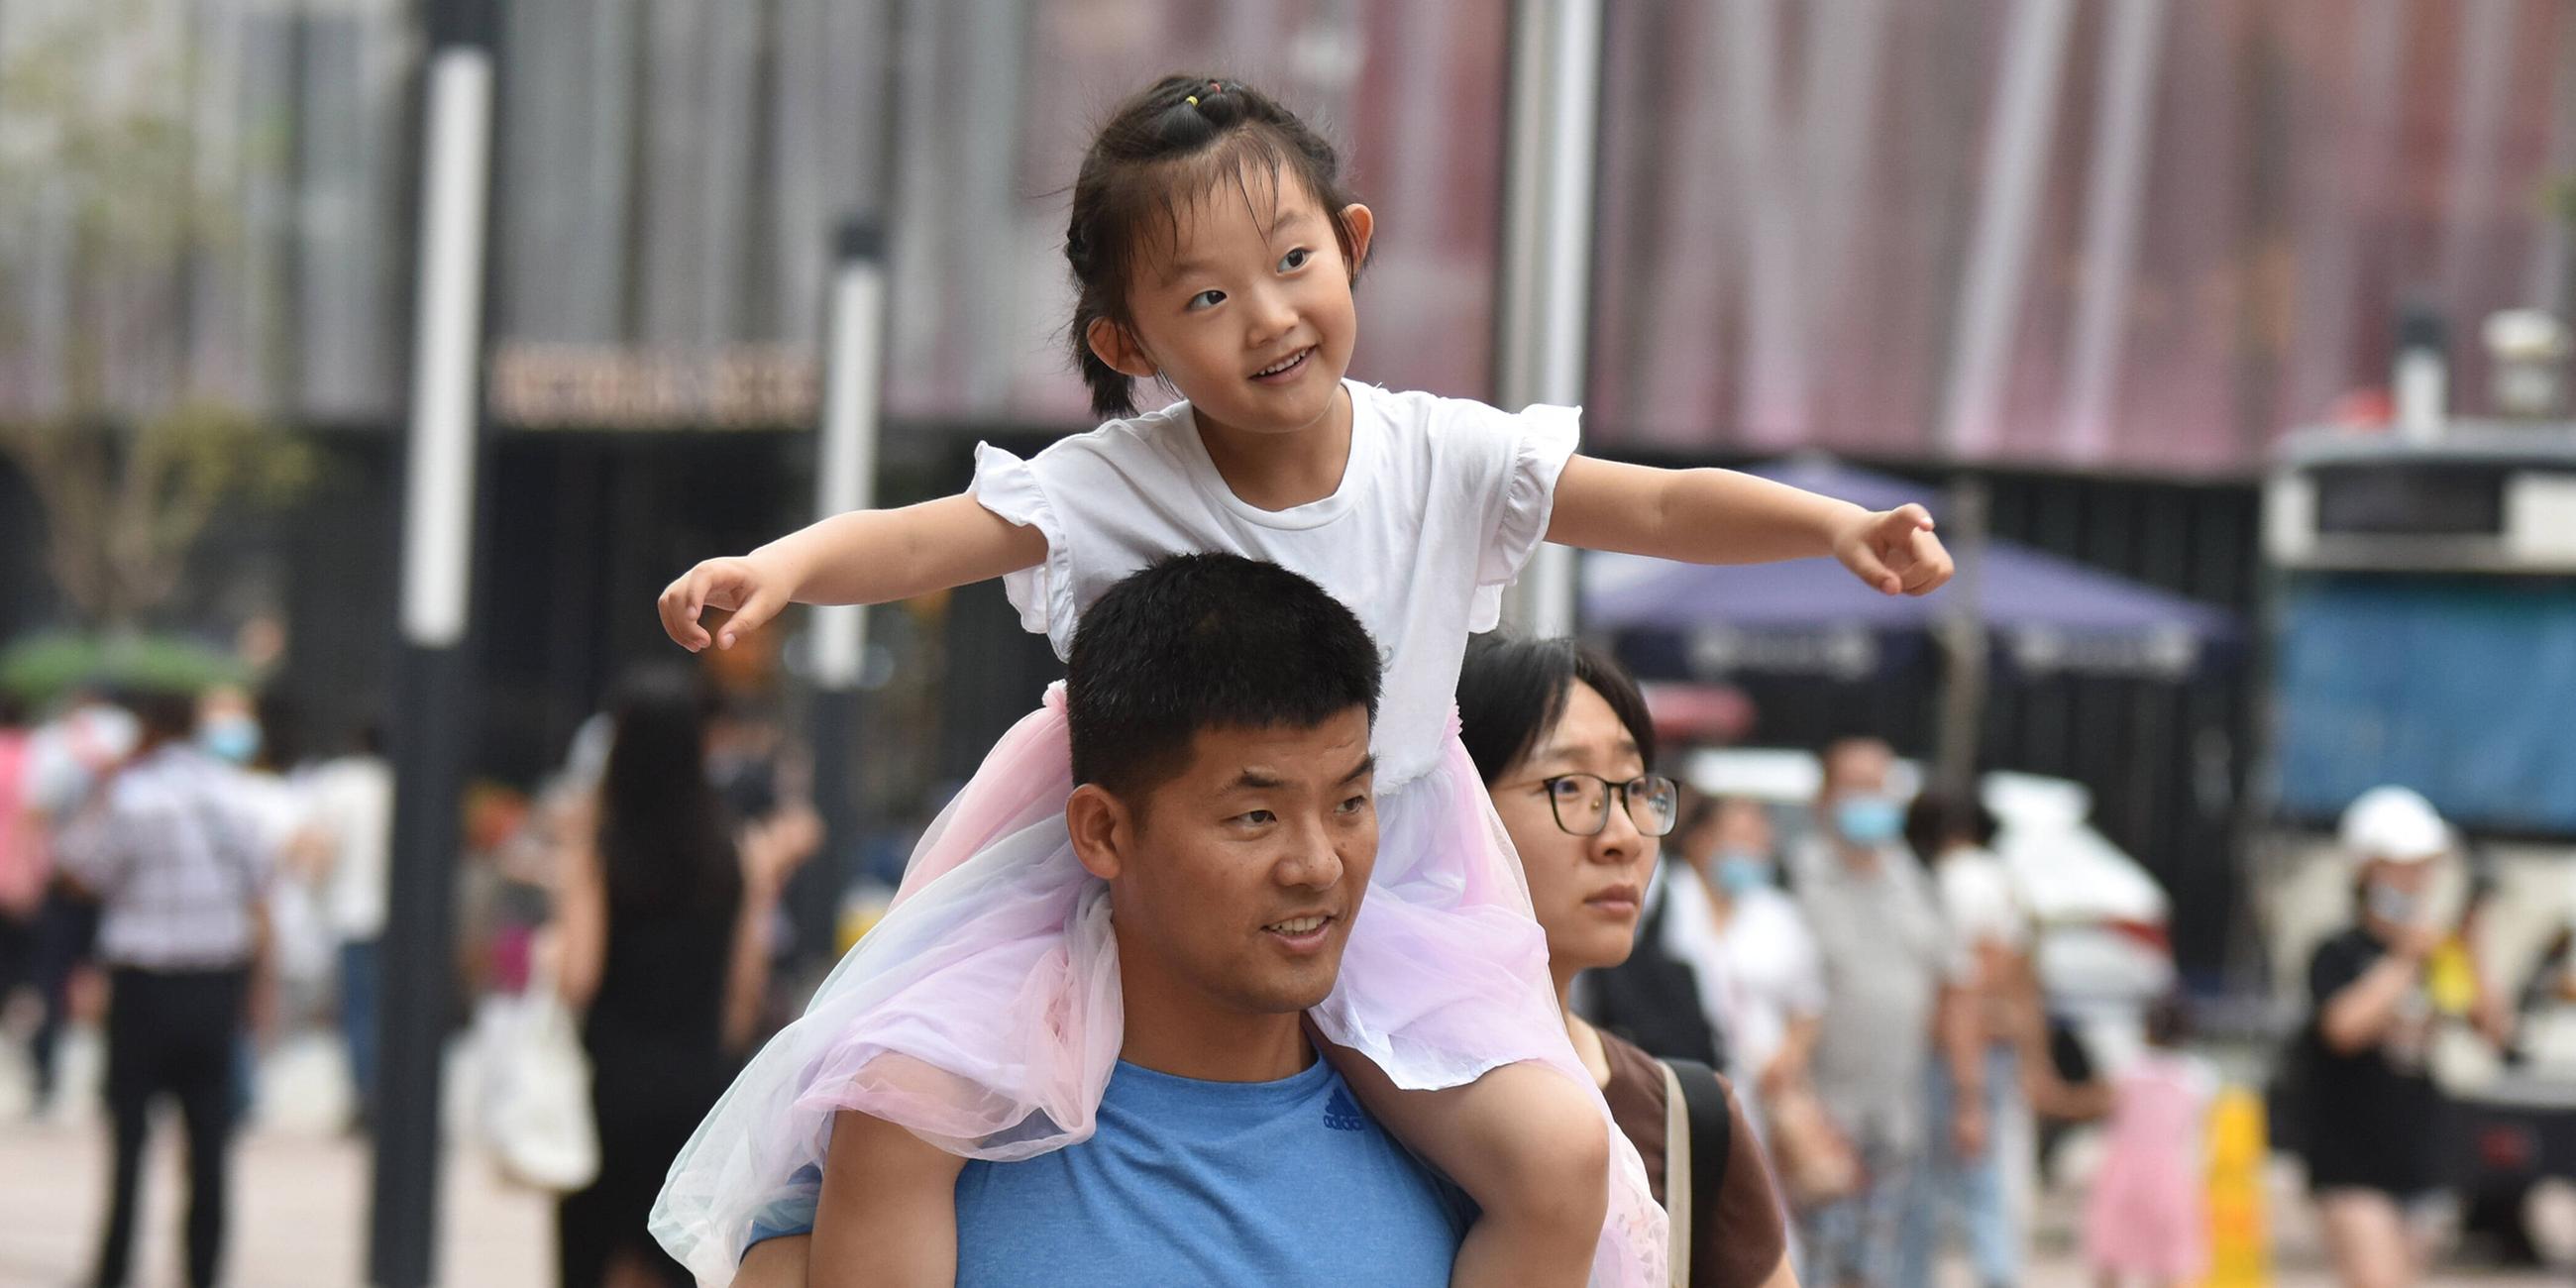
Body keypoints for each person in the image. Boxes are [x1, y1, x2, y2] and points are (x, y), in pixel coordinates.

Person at [652, 71, 1955, 1286]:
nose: (1269, 317)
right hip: (1140, 868)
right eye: (1205, 298)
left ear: (1354, 241)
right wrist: (780, 567)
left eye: (1292, 262)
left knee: (1559, 1164)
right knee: (900, 1095)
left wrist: (1831, 529)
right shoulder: (1122, 481)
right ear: (1130, 336)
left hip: (1401, 881)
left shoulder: (1439, 454)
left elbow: (1662, 507)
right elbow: (933, 534)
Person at [728, 555, 1472, 1285]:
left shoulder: (1474, 1151)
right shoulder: (926, 1127)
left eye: (1349, 803)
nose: (1318, 865)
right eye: (1255, 815)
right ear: (1104, 832)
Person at [1457, 634, 1797, 1288]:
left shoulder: (1685, 1114)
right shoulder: (1353, 1092)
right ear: (1457, 809)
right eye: (1570, 786)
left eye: (1635, 788)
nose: (1622, 838)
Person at [551, 668, 811, 1288]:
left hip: (611, 1085)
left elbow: (578, 977)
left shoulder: (600, 850)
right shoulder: (733, 850)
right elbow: (743, 991)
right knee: (674, 1257)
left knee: (598, 1246)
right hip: (699, 1083)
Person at [51, 686, 271, 1288]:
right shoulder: (234, 793)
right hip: (213, 981)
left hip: (144, 984)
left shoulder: (132, 795)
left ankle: (114, 1267)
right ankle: (204, 1269)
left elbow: (79, 865)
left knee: (128, 1140)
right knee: (209, 1142)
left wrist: (102, 785)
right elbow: (260, 882)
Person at [1787, 739, 1984, 1288]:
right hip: (1818, 1120)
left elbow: (1956, 988)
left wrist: (1968, 1099)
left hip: (1896, 1118)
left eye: (1881, 786)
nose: (1871, 800)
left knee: (1877, 1268)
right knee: (1815, 1265)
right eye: (1857, 786)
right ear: (1825, 799)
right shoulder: (1797, 877)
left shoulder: (1915, 882)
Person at [2302, 786, 2474, 1288]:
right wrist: (2403, 960)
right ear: (2366, 869)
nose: (2417, 879)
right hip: (2351, 1161)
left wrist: (2470, 936)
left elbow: (2487, 1024)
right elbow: (2342, 1029)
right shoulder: (2337, 953)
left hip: (2419, 1154)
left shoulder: (2435, 949)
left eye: (2424, 866)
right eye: (2403, 865)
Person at [1895, 792, 2031, 1288]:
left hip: (1956, 1052)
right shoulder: (1996, 878)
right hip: (1985, 1047)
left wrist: (1966, 1089)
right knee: (1984, 1186)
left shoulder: (1957, 881)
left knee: (1943, 1190)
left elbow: (1963, 989)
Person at [1659, 796, 1826, 1131]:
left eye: (1759, 840)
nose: (1751, 849)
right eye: (1739, 837)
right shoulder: (1665, 901)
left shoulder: (1778, 914)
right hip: (1677, 1079)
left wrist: (1786, 1060)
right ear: (1699, 839)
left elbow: (1809, 1004)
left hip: (1761, 1088)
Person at [2082, 996, 2215, 1288]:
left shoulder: (2126, 1069)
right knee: (2170, 1263)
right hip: (2173, 1174)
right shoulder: (2198, 1077)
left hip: (2123, 1172)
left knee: (2111, 1257)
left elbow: (2099, 1107)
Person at [298, 721, 393, 1130]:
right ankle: (386, 1095)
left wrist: (312, 899)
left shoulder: (339, 783)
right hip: (399, 921)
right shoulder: (402, 783)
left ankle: (366, 1097)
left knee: (359, 1013)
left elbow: (321, 848)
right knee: (388, 1012)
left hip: (353, 916)